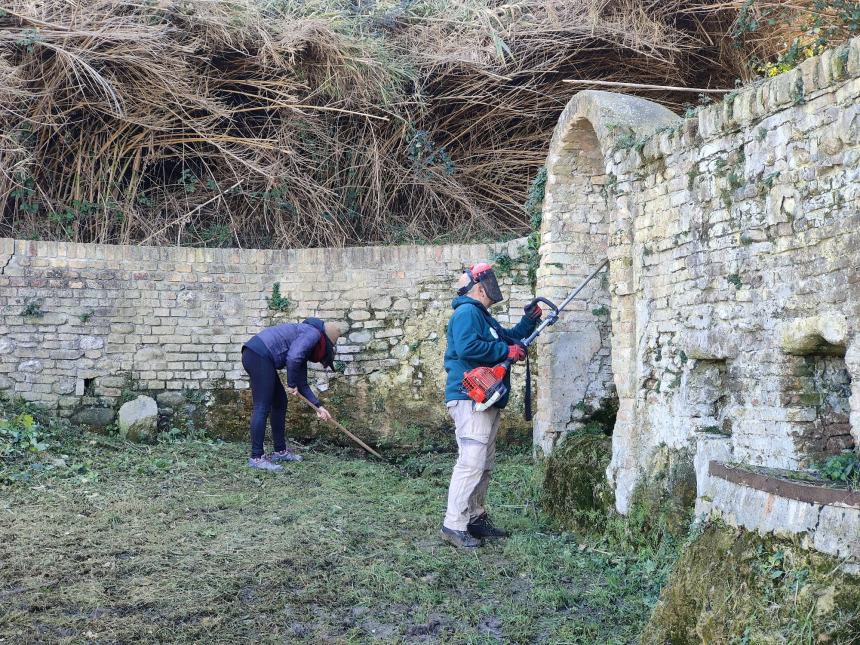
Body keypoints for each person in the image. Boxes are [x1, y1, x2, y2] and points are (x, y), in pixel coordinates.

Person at [440, 263, 542, 548]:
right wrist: (504, 351)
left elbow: (510, 340)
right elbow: (467, 348)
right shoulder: (467, 313)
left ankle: (475, 517)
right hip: (469, 397)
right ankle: (453, 524)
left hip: (486, 398)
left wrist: (528, 322)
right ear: (479, 287)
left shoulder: (484, 318)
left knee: (483, 463)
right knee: (471, 461)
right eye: (488, 281)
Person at [241, 317, 341, 471]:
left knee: (280, 402)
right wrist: (291, 384)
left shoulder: (304, 341)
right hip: (258, 355)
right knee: (262, 405)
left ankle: (280, 452)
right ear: (325, 343)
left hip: (259, 356)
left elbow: (303, 384)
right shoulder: (313, 334)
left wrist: (319, 407)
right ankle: (256, 458)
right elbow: (293, 358)